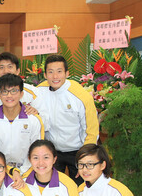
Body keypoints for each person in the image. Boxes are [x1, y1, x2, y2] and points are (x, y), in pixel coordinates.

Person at [37, 54, 99, 184]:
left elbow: (91, 130)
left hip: (77, 152)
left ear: (67, 73)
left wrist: (85, 159)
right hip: (52, 152)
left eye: (59, 71)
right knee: (52, 189)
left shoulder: (80, 96)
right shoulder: (38, 92)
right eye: (51, 72)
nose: (55, 76)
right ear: (45, 74)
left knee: (80, 190)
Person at [0, 74, 45, 175]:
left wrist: (21, 173)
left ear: (21, 94)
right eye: (5, 91)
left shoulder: (34, 120)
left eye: (14, 91)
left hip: (28, 172)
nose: (9, 95)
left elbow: (37, 152)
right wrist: (7, 171)